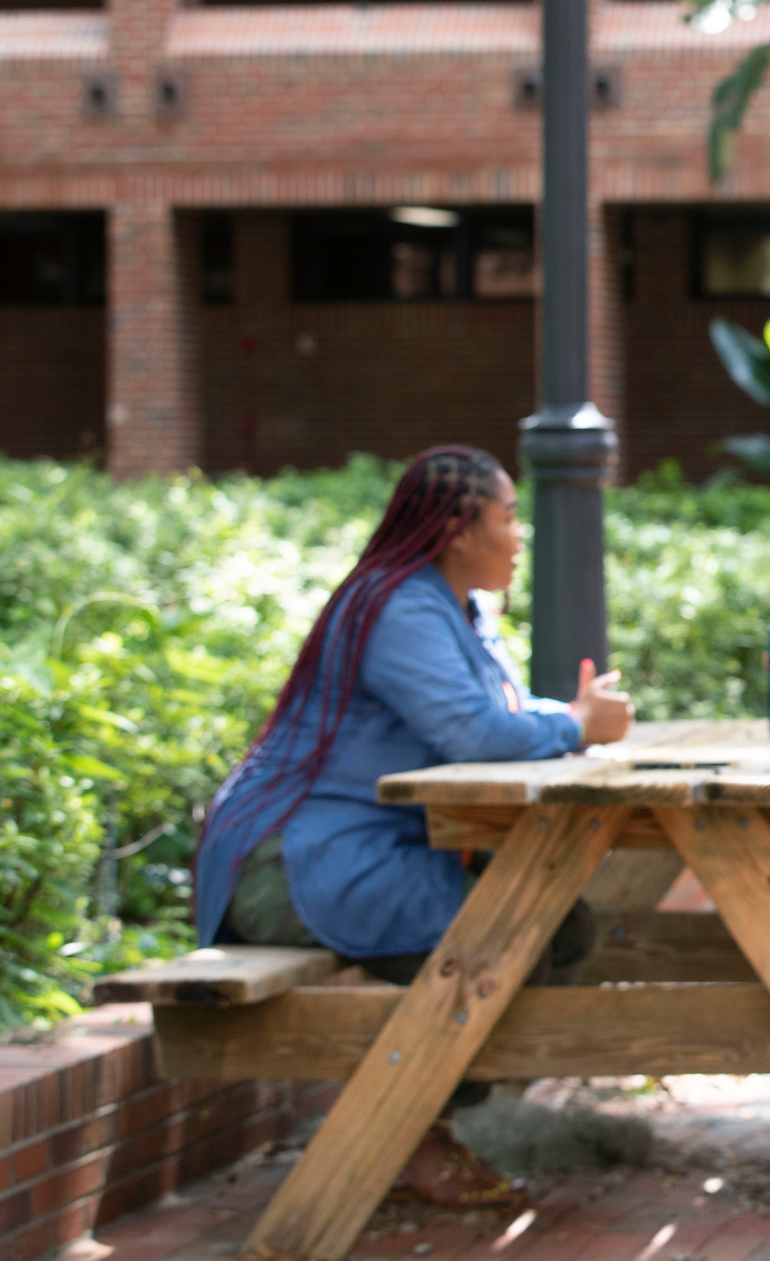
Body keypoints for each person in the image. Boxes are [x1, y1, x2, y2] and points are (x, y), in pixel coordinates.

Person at [192, 445, 634, 1202]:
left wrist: (569, 718)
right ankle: (404, 1132)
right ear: (460, 530)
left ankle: (414, 1118)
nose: (520, 533)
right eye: (508, 517)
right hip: (293, 862)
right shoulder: (397, 605)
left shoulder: (457, 604)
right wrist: (578, 725)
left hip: (369, 851)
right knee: (508, 936)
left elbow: (505, 711)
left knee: (558, 927)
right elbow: (474, 733)